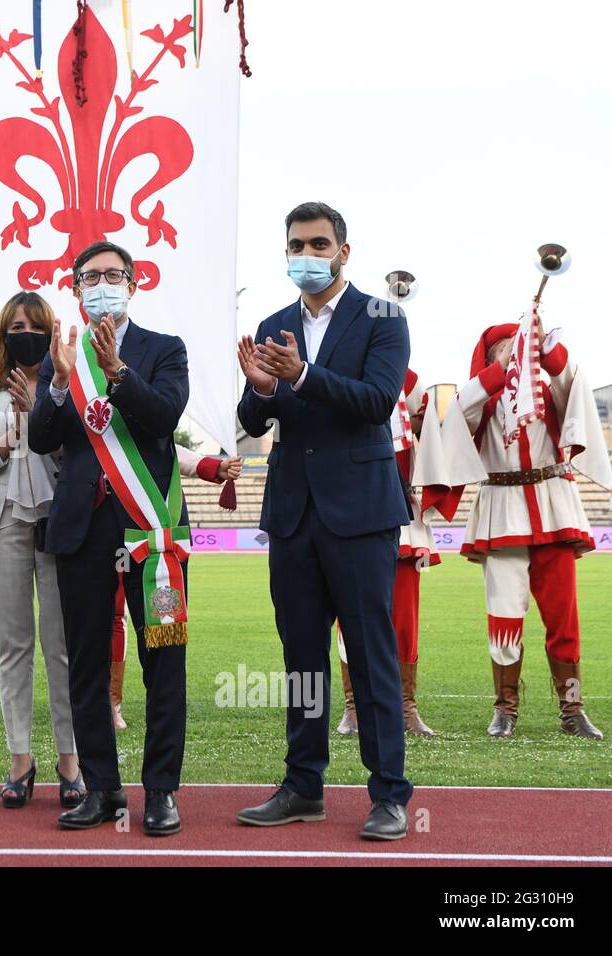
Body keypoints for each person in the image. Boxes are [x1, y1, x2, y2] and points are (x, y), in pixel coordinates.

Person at [235, 201, 413, 841]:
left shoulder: (383, 316)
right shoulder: (273, 322)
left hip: (360, 510)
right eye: (295, 245)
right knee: (302, 658)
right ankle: (304, 784)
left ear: (344, 250)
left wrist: (304, 375)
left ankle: (390, 793)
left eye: (317, 244)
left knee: (370, 656)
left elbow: (376, 401)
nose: (304, 256)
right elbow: (255, 421)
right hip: (292, 511)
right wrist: (260, 389)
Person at [28, 240, 192, 837]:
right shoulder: (60, 354)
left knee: (164, 658)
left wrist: (117, 374)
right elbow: (44, 439)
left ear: (134, 282)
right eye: (90, 277)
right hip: (82, 532)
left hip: (151, 534)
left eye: (112, 275)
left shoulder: (163, 350)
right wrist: (57, 385)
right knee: (87, 667)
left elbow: (163, 416)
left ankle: (163, 791)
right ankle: (101, 788)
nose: (102, 284)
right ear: (74, 289)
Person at [432, 321, 609, 739]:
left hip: (553, 512)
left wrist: (548, 353)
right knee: (504, 616)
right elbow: (458, 411)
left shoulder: (551, 391)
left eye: (522, 346)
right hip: (503, 514)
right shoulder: (480, 397)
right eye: (506, 348)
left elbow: (572, 381)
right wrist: (496, 375)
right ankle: (505, 709)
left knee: (564, 618)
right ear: (490, 357)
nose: (516, 352)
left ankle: (572, 708)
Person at [0, 291, 80, 809]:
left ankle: (70, 760)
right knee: (13, 647)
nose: (24, 332)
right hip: (2, 520)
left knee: (62, 647)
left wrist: (44, 414)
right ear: (3, 332)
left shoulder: (69, 381)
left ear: (50, 330)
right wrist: (7, 439)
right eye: (16, 325)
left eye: (34, 324)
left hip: (59, 522)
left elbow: (81, 451)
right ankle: (20, 760)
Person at [335, 364, 441, 738]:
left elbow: (431, 432)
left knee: (406, 620)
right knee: (350, 615)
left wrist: (423, 423)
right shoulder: (336, 369)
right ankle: (354, 707)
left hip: (403, 516)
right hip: (352, 511)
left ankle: (406, 707)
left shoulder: (409, 378)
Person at [110, 445, 240, 733]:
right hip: (99, 523)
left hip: (144, 529)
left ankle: (118, 703)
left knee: (150, 625)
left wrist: (210, 466)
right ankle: (106, 702)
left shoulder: (145, 415)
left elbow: (167, 447)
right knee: (111, 616)